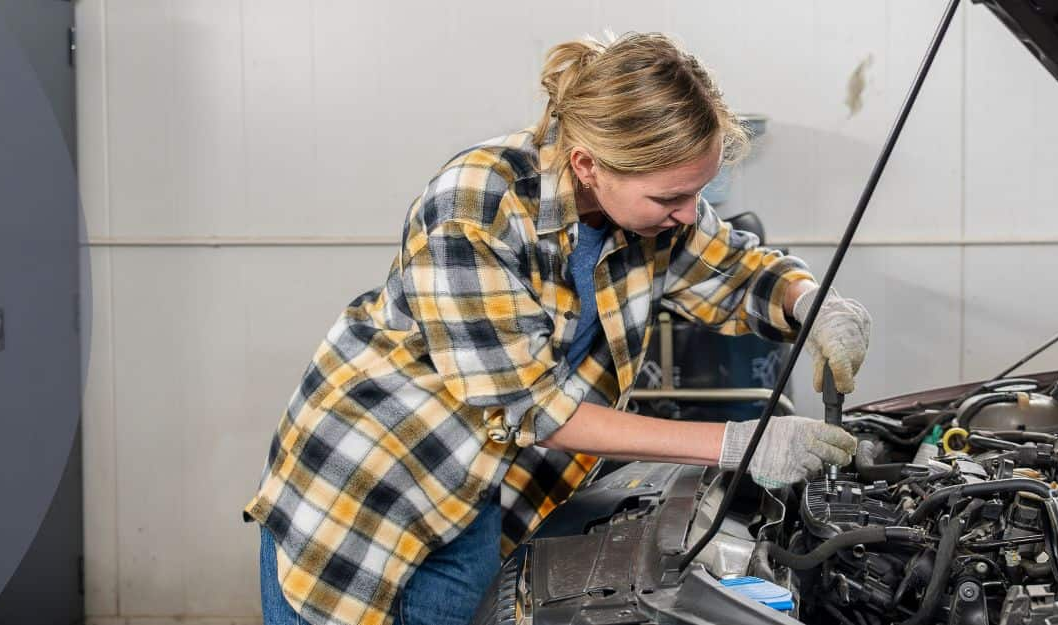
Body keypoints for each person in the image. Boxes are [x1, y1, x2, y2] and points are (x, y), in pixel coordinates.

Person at [245, 32, 874, 625]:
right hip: (375, 491)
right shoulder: (476, 204)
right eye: (670, 199)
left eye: (697, 192)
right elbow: (532, 410)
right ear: (588, 163)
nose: (688, 214)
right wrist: (737, 445)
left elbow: (738, 270)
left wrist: (811, 304)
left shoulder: (651, 210)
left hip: (480, 501)